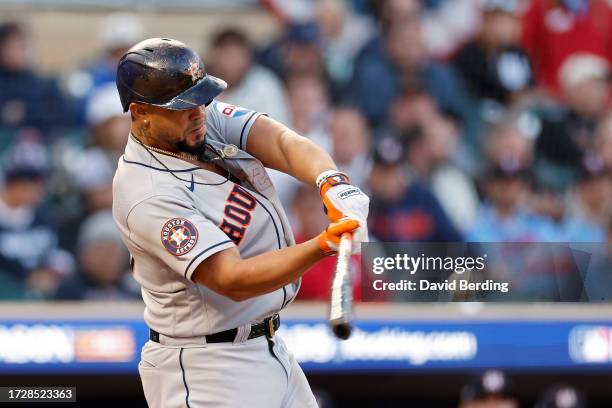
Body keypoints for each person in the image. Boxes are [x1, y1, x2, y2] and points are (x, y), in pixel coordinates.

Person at [112, 38, 369, 408]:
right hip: (208, 369)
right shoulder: (145, 191)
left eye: (200, 100)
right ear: (140, 113)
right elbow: (231, 279)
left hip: (268, 346)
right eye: (183, 107)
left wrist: (331, 183)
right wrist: (322, 245)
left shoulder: (197, 121)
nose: (198, 112)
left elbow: (281, 142)